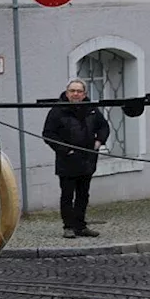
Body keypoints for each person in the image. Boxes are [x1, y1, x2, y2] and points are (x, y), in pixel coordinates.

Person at [42, 78, 109, 239]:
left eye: (79, 91)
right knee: (67, 195)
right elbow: (48, 134)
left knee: (83, 195)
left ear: (84, 94)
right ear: (67, 93)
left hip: (87, 160)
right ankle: (68, 227)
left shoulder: (91, 109)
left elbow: (104, 126)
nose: (76, 94)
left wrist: (99, 141)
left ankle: (81, 225)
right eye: (72, 91)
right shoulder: (57, 111)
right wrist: (66, 150)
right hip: (67, 161)